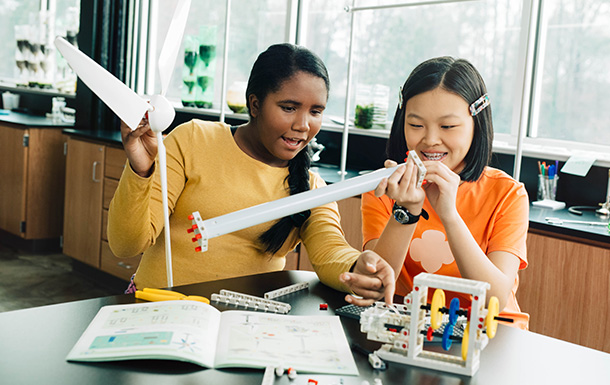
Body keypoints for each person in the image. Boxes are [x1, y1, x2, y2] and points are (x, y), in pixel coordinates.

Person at [108, 43, 395, 305]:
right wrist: (140, 170)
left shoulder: (312, 188)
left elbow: (330, 251)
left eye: (315, 111)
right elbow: (127, 244)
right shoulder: (194, 140)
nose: (303, 125)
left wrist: (360, 266)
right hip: (158, 307)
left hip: (242, 323)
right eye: (289, 108)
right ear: (255, 104)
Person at [362, 57, 529, 328]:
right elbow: (378, 284)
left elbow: (495, 298)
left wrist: (449, 215)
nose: (429, 140)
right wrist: (408, 210)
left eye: (448, 127)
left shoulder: (508, 194)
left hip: (493, 334)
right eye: (416, 125)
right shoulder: (384, 189)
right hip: (413, 328)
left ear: (477, 124)